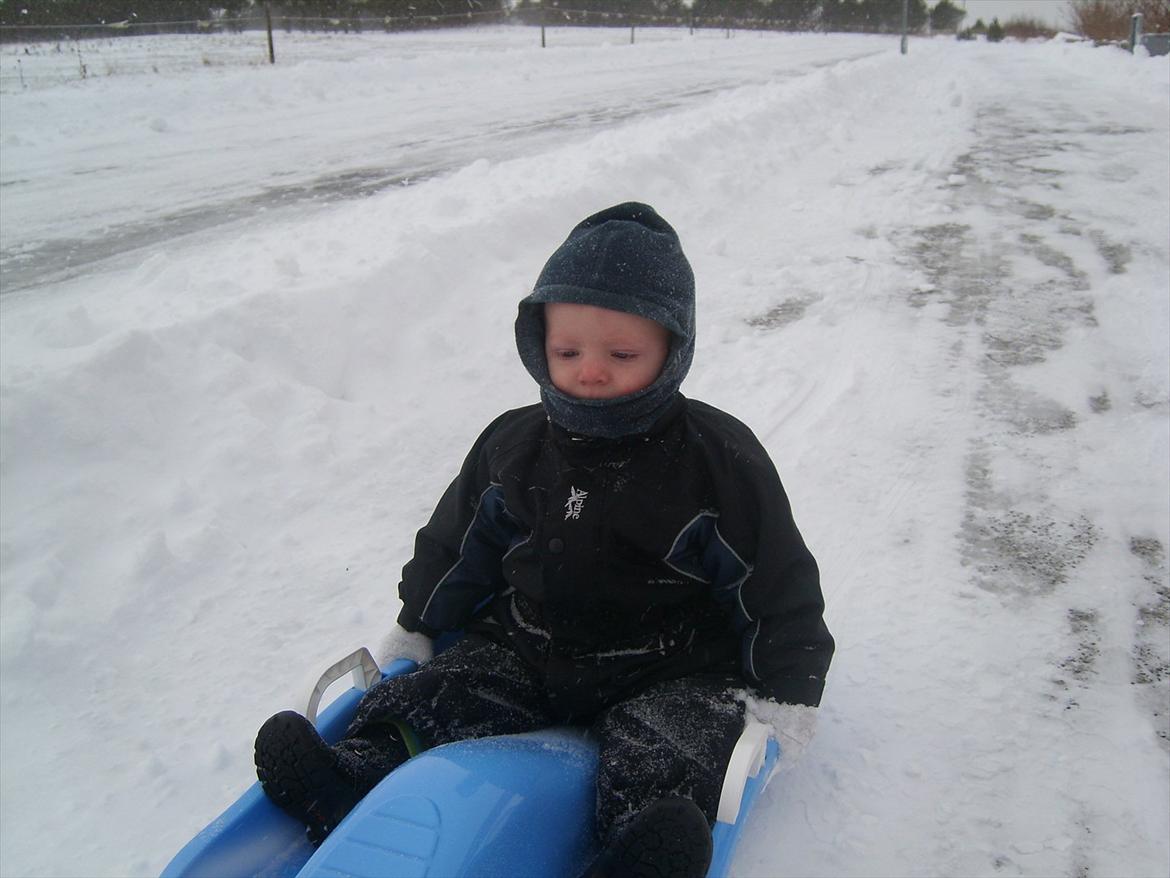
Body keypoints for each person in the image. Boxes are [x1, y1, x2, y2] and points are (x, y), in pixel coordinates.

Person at [254, 202, 834, 878]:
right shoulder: (515, 444)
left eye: (621, 354)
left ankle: (637, 852)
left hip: (668, 662)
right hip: (530, 644)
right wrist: (419, 624)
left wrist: (786, 692)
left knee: (672, 743)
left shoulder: (716, 459)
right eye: (568, 351)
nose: (590, 371)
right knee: (450, 688)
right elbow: (458, 542)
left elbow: (772, 582)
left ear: (672, 350)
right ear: (539, 344)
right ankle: (356, 777)